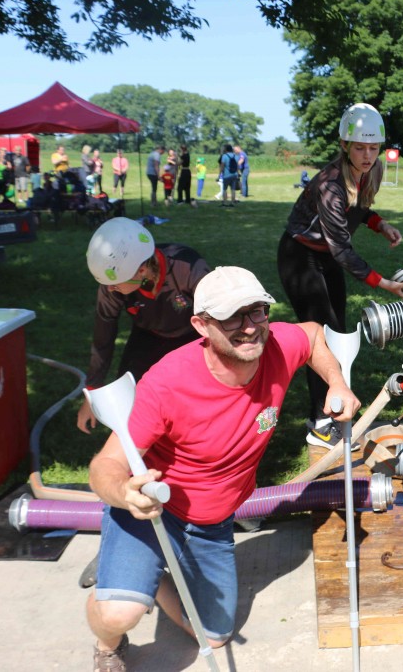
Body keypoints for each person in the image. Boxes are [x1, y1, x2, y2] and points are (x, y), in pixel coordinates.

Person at [86, 265, 360, 669]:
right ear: (201, 325)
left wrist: (336, 381)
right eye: (232, 317)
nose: (249, 327)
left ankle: (147, 577)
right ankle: (109, 642)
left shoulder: (277, 345)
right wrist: (124, 494)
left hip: (211, 524)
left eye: (256, 311)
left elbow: (314, 333)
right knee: (118, 614)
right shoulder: (166, 384)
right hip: (151, 511)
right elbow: (105, 464)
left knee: (215, 636)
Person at [277, 102, 403, 448]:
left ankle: (330, 410)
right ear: (345, 145)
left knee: (336, 333)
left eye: (374, 148)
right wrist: (383, 283)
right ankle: (321, 424)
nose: (368, 155)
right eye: (360, 148)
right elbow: (342, 250)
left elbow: (360, 208)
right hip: (300, 256)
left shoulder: (372, 170)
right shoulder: (330, 184)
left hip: (326, 256)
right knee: (319, 338)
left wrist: (381, 225)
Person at [77, 217, 211, 433]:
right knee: (128, 401)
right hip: (147, 335)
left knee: (193, 402)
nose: (109, 289)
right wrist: (92, 391)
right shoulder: (113, 284)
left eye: (114, 284)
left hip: (192, 337)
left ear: (141, 271)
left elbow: (218, 317)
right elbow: (103, 335)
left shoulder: (188, 269)